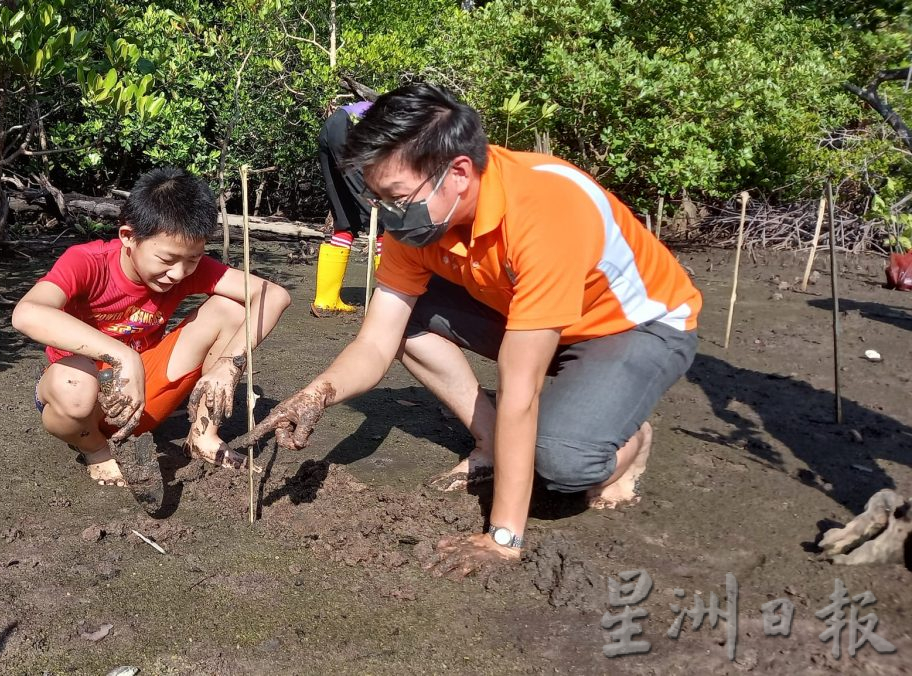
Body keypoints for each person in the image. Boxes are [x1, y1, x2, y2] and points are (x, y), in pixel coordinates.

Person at [240, 84, 702, 578]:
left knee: (562, 464)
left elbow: (520, 389)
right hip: (526, 311)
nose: (388, 214)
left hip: (630, 327)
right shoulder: (415, 223)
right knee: (410, 320)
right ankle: (488, 442)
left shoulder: (545, 209)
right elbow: (376, 341)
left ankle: (628, 439)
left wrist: (503, 537)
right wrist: (315, 395)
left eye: (397, 198)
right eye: (378, 199)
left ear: (458, 172)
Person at [12, 167, 291, 486]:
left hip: (144, 395)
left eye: (193, 259)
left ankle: (203, 437)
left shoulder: (186, 267)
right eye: (167, 259)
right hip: (81, 402)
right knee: (71, 384)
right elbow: (26, 313)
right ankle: (96, 450)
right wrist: (123, 356)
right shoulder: (87, 261)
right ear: (128, 237)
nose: (179, 273)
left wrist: (230, 363)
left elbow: (274, 295)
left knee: (230, 308)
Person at [311, 100, 383, 316]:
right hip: (349, 129)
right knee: (385, 219)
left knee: (345, 218)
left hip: (331, 127)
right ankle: (391, 304)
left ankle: (326, 300)